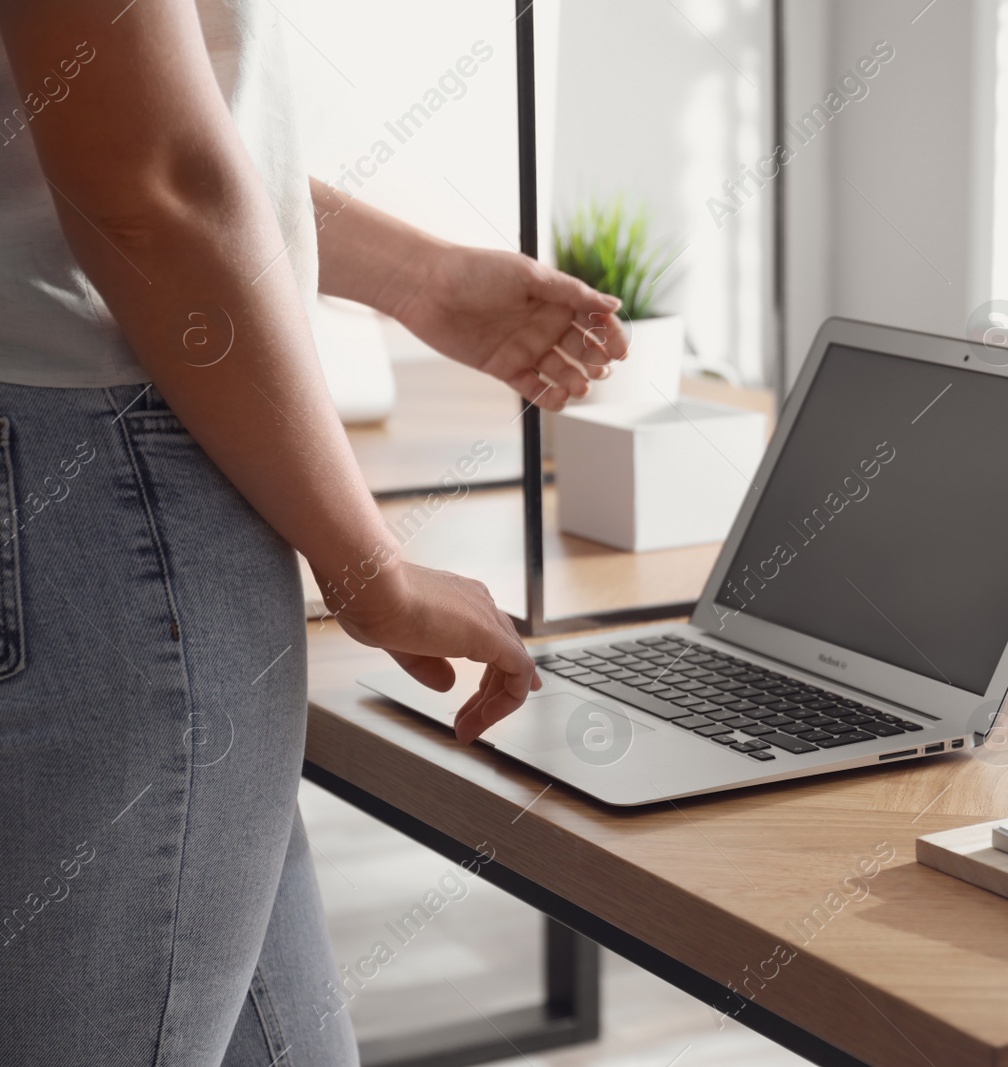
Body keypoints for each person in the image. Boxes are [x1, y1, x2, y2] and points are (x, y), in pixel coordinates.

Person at [0, 2, 625, 1062]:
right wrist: (370, 566)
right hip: (106, 481)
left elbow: (97, 134)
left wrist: (418, 279)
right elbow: (148, 184)